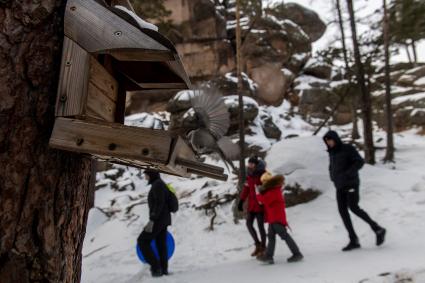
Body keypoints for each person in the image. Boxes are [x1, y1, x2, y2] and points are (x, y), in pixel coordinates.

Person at [323, 130, 386, 251]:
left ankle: (378, 229)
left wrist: (349, 173)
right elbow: (332, 166)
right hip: (340, 185)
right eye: (327, 141)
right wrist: (332, 176)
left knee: (354, 208)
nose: (329, 142)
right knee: (343, 212)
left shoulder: (348, 148)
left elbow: (359, 162)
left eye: (330, 139)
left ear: (335, 139)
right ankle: (353, 240)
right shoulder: (332, 152)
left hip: (351, 183)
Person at [256, 172, 303, 264]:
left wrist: (258, 194)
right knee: (271, 237)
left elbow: (264, 201)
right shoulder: (273, 190)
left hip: (276, 219)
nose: (263, 185)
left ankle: (297, 253)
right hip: (273, 218)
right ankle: (269, 257)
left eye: (264, 183)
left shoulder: (274, 191)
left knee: (284, 236)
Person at [137, 169, 172, 277]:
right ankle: (163, 269)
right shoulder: (159, 184)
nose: (145, 177)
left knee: (142, 241)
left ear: (151, 175)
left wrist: (152, 219)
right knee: (160, 244)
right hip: (164, 219)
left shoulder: (157, 185)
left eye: (146, 175)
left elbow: (159, 202)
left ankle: (156, 267)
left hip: (158, 220)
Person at [238, 156, 267, 257]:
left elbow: (267, 188)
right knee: (249, 224)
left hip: (260, 205)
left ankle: (263, 247)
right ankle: (257, 245)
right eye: (249, 163)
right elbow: (246, 188)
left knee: (260, 227)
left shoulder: (263, 174)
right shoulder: (249, 174)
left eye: (251, 163)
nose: (249, 165)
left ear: (256, 164)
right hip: (252, 205)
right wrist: (241, 201)